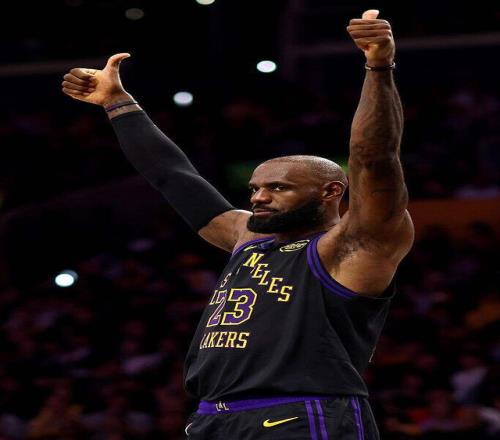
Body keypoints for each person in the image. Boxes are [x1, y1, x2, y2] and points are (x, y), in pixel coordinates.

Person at [62, 9, 414, 440]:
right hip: (213, 416)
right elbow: (172, 176)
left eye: (278, 188)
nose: (259, 197)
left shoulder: (352, 246)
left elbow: (374, 158)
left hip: (302, 413)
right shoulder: (245, 235)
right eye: (255, 188)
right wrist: (117, 103)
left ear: (331, 191)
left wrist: (378, 66)